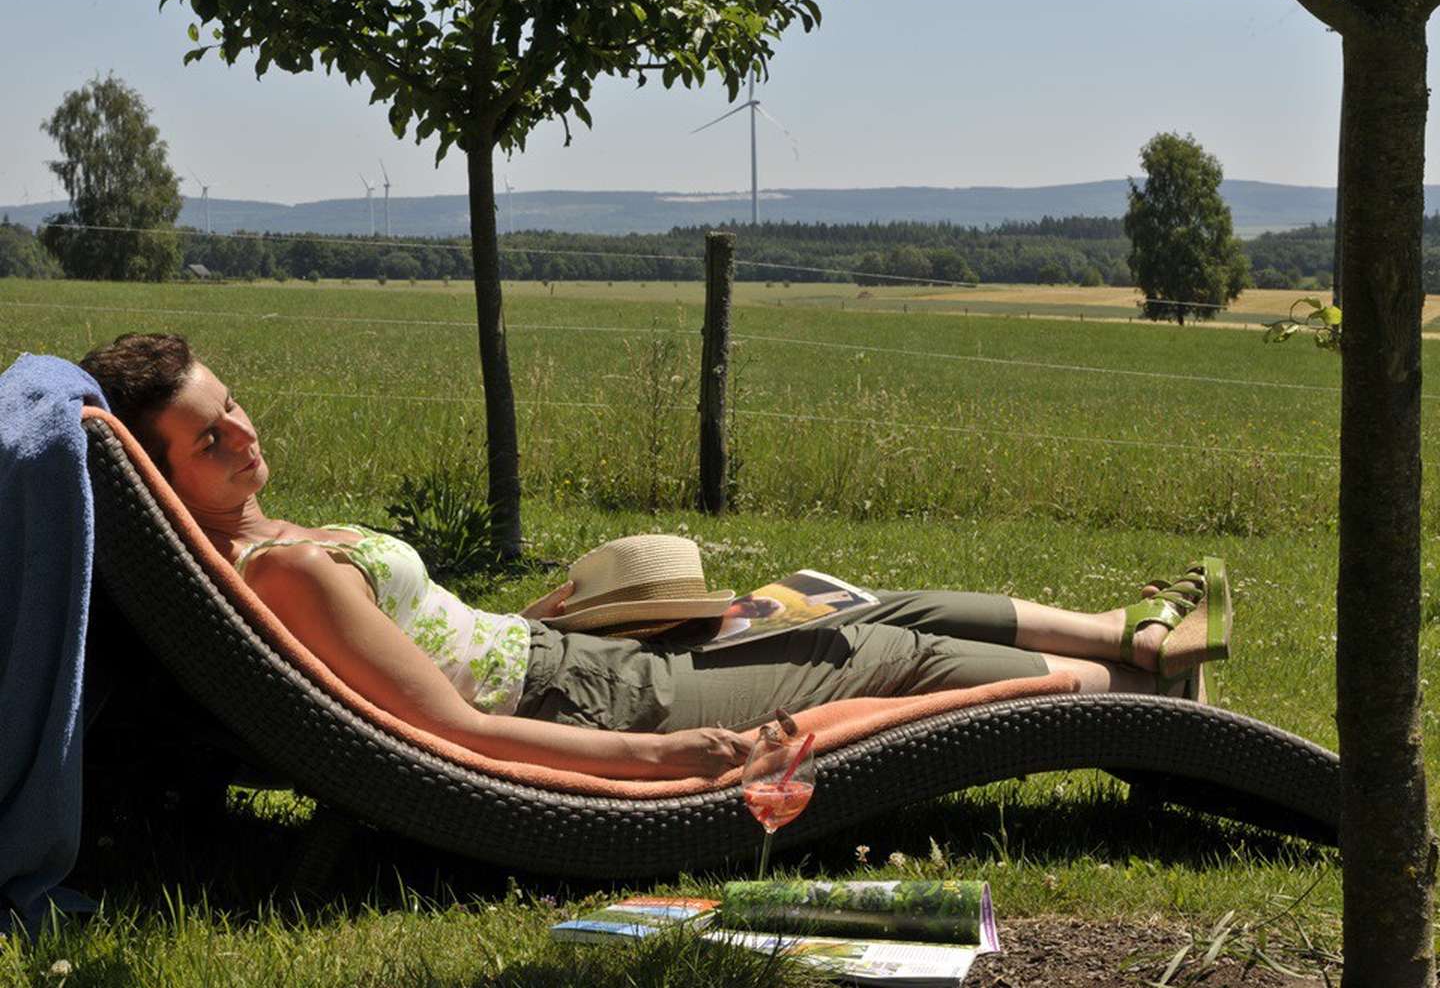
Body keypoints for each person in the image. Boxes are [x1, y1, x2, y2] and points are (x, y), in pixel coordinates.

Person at [79, 333, 1231, 782]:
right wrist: (665, 756)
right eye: (207, 437)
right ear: (158, 466)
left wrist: (538, 612)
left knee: (849, 595)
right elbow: (455, 732)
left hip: (568, 648)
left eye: (235, 408)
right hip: (597, 697)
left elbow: (428, 648)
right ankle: (1145, 705)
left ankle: (1129, 642)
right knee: (875, 651)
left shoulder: (258, 542)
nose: (243, 436)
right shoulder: (279, 574)